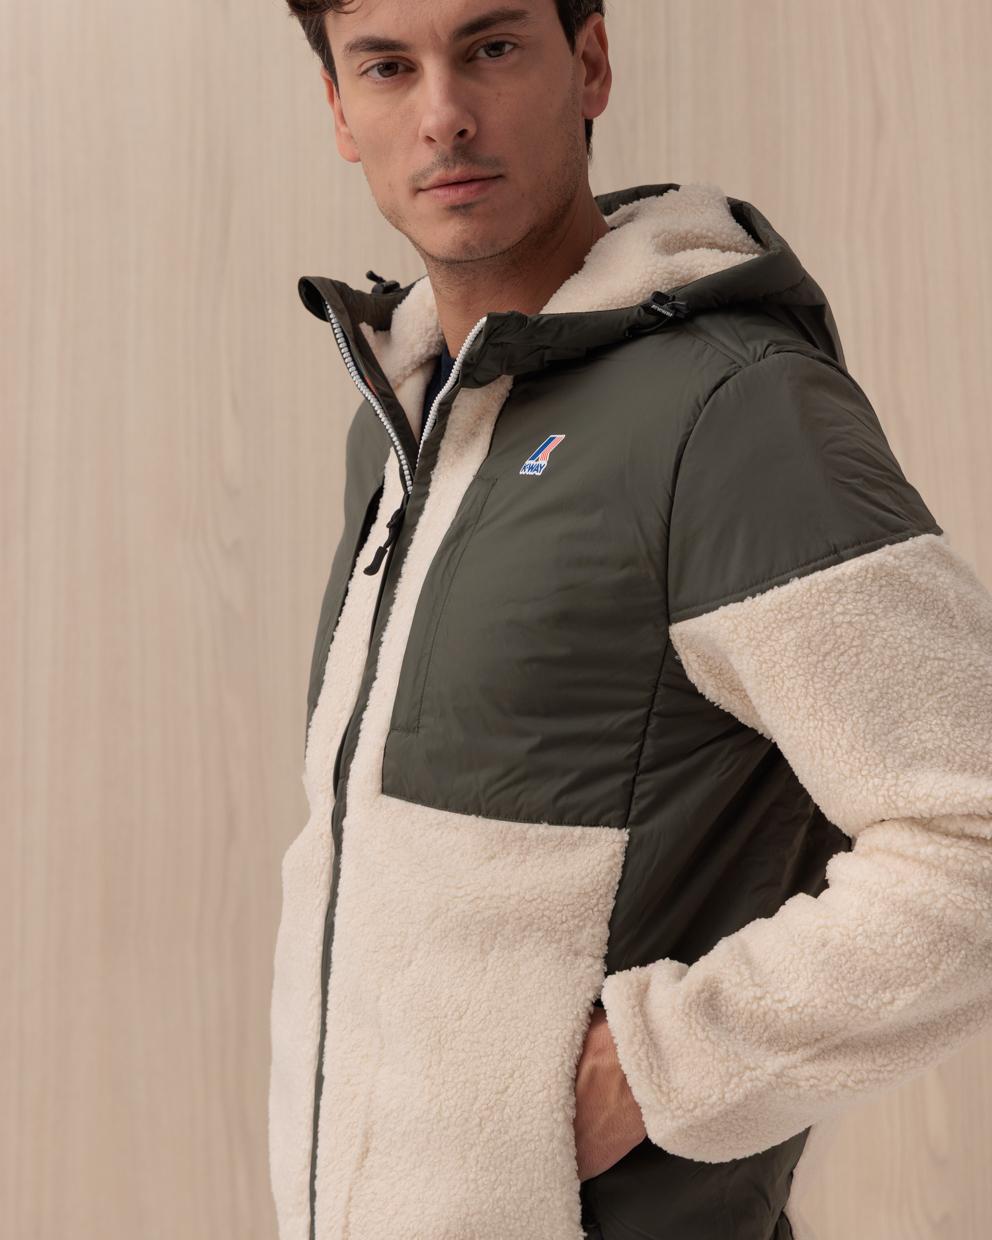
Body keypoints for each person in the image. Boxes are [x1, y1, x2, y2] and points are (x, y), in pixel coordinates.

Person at [267, 3, 992, 1238]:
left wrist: (661, 1068)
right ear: (340, 109)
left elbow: (971, 825)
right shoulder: (401, 420)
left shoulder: (730, 412)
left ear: (589, 62)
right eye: (387, 67)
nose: (442, 115)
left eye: (491, 48)